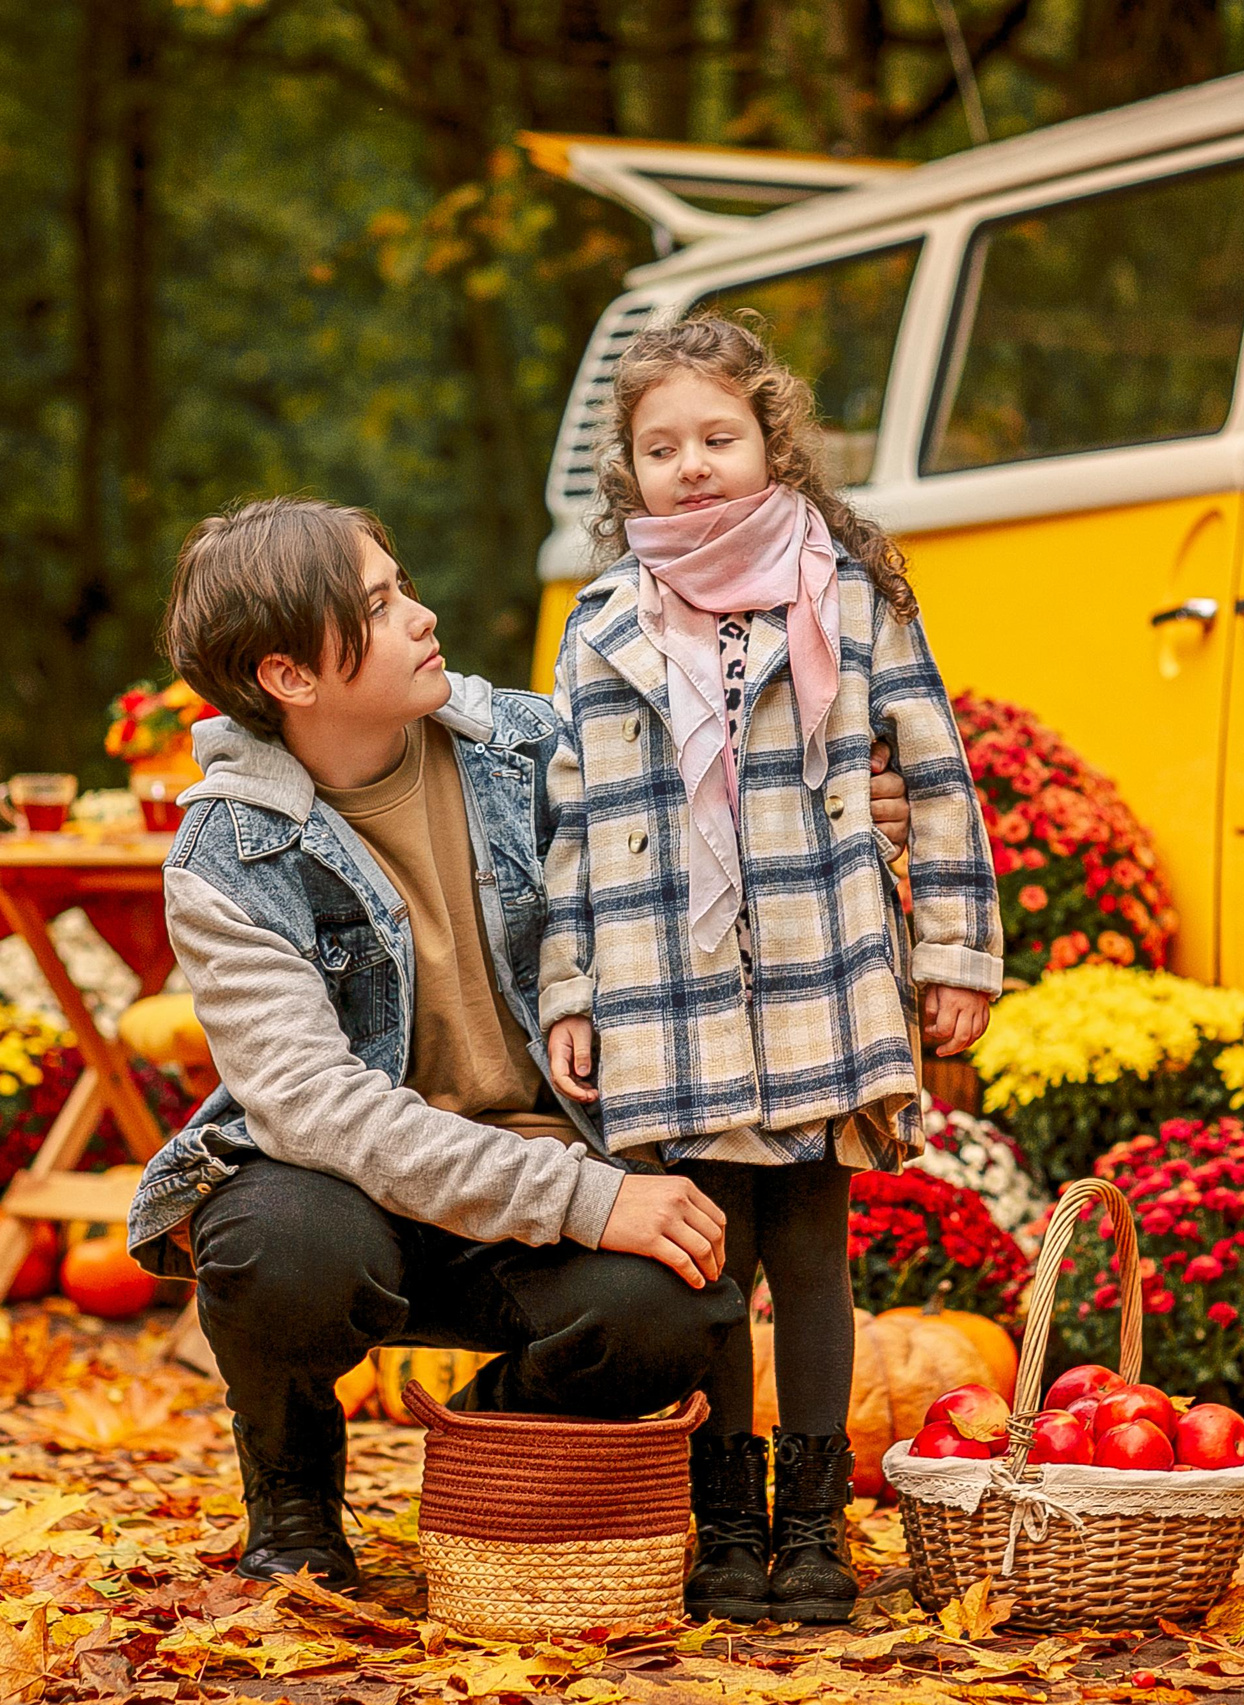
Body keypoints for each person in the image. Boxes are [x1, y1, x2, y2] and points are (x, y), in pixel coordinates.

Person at [124, 496, 916, 1592]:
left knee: (684, 1310)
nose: (421, 615)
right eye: (379, 605)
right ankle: (294, 1492)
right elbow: (313, 1107)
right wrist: (592, 1202)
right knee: (274, 1250)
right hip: (348, 1197)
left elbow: (712, 831)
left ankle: (480, 1437)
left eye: (400, 587)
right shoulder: (226, 856)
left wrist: (845, 804)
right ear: (289, 678)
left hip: (544, 1179)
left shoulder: (536, 752)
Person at [540, 314, 1004, 1624]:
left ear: (771, 439)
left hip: (819, 963)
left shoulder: (846, 593)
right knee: (705, 1265)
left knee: (810, 1257)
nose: (692, 464)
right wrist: (570, 982)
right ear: (628, 469)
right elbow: (572, 821)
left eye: (717, 436)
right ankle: (723, 1522)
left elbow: (938, 771)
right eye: (660, 445)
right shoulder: (604, 620)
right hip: (664, 978)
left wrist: (956, 946)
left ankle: (815, 1529)